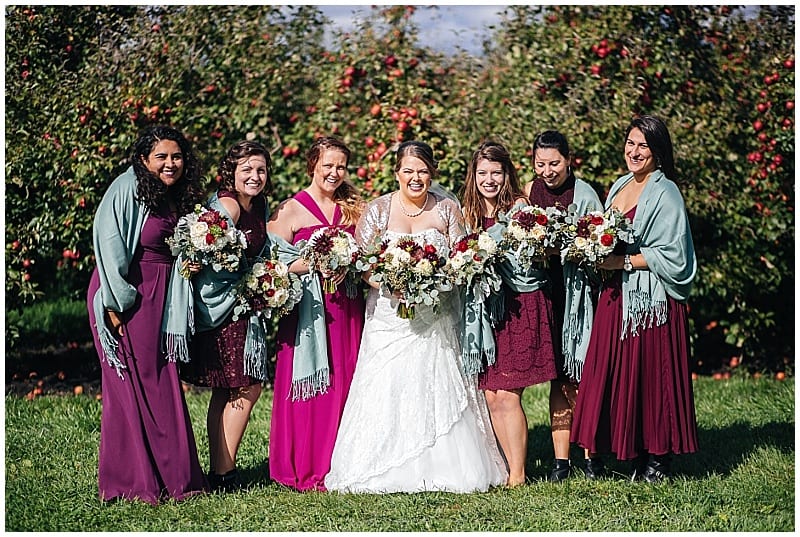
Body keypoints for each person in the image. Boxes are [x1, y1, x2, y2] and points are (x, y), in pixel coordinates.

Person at [325, 140, 508, 493]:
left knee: (436, 382)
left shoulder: (446, 210)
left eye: (423, 172)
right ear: (397, 173)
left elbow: (462, 259)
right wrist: (391, 285)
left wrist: (435, 283)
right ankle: (380, 466)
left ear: (432, 174)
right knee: (387, 387)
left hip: (435, 317)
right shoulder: (377, 210)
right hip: (389, 317)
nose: (415, 178)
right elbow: (361, 264)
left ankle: (445, 466)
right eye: (408, 171)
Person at [570, 115, 699, 482]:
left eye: (643, 145)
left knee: (651, 377)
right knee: (614, 373)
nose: (634, 151)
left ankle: (658, 459)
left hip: (651, 301)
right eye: (630, 143)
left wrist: (623, 260)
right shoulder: (620, 185)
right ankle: (624, 450)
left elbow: (674, 253)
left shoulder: (666, 193)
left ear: (658, 151)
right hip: (615, 294)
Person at [86, 125, 207, 504]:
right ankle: (133, 481)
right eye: (162, 157)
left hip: (162, 297)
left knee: (160, 381)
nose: (171, 164)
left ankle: (176, 477)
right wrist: (115, 303)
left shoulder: (173, 196)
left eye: (176, 156)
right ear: (143, 159)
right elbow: (109, 243)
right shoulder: (127, 188)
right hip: (128, 294)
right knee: (135, 385)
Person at [267, 136, 366, 491]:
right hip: (308, 314)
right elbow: (271, 262)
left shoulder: (356, 207)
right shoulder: (289, 210)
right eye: (328, 165)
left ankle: (344, 460)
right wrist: (309, 264)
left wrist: (350, 262)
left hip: (347, 308)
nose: (335, 172)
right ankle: (308, 463)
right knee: (313, 388)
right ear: (313, 166)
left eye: (341, 166)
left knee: (346, 381)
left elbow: (369, 252)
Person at [459, 141, 557, 487]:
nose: (489, 179)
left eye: (496, 173)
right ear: (474, 176)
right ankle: (508, 469)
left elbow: (532, 259)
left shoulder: (518, 208)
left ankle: (518, 474)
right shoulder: (467, 212)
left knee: (508, 392)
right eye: (483, 173)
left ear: (506, 174)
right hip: (485, 314)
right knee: (491, 394)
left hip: (518, 307)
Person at [182, 141, 272, 492]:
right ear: (231, 173)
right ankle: (224, 472)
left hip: (241, 305)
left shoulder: (257, 205)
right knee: (248, 384)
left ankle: (220, 472)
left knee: (229, 386)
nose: (255, 176)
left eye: (261, 170)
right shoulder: (228, 207)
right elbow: (200, 249)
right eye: (247, 169)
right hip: (221, 307)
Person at [523, 131, 604, 482]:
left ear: (569, 159)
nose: (548, 171)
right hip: (546, 296)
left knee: (581, 378)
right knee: (559, 378)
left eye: (554, 163)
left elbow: (599, 244)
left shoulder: (585, 194)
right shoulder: (529, 191)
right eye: (541, 164)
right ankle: (561, 462)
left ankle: (592, 456)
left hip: (579, 296)